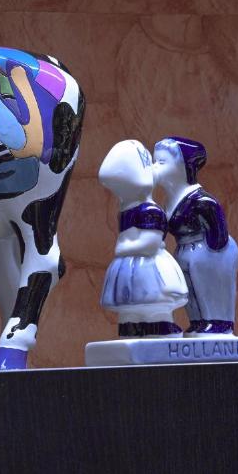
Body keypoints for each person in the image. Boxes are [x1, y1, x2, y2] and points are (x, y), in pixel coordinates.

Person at [99, 140, 188, 337]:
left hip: (150, 266)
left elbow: (150, 243)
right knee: (129, 303)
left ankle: (160, 326)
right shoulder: (126, 210)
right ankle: (130, 326)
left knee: (154, 300)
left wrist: (125, 247)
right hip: (128, 266)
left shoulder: (150, 211)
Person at [153, 137, 238, 335]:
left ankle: (218, 323)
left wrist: (212, 253)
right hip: (185, 249)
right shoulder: (169, 201)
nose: (155, 167)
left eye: (162, 162)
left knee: (208, 288)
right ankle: (198, 322)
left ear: (183, 167)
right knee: (190, 290)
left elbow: (218, 228)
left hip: (208, 250)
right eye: (154, 161)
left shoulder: (200, 200)